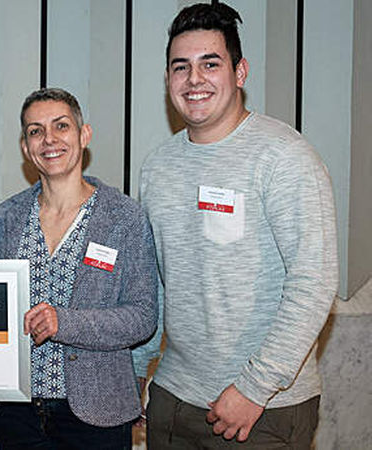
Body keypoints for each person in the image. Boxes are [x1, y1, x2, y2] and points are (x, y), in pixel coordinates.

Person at [135, 3, 338, 448]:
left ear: (240, 72)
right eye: (180, 67)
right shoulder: (157, 166)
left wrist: (254, 387)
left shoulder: (285, 158)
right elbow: (156, 282)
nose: (194, 79)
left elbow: (314, 282)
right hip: (174, 398)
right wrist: (136, 371)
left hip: (264, 407)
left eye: (211, 64)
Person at [0, 88, 158, 449]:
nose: (49, 139)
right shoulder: (6, 217)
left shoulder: (124, 217)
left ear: (84, 135)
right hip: (16, 414)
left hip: (96, 413)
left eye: (61, 126)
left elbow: (143, 316)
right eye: (35, 131)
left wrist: (64, 323)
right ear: (25, 146)